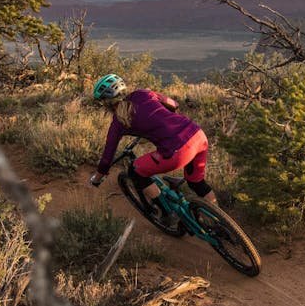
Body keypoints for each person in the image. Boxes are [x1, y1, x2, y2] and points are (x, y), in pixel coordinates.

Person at [88, 74, 218, 212]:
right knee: (196, 182)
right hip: (198, 135)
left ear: (106, 102)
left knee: (135, 172)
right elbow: (174, 104)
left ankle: (167, 213)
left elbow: (107, 159)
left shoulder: (118, 122)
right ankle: (219, 225)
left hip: (178, 151)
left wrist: (96, 179)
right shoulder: (142, 94)